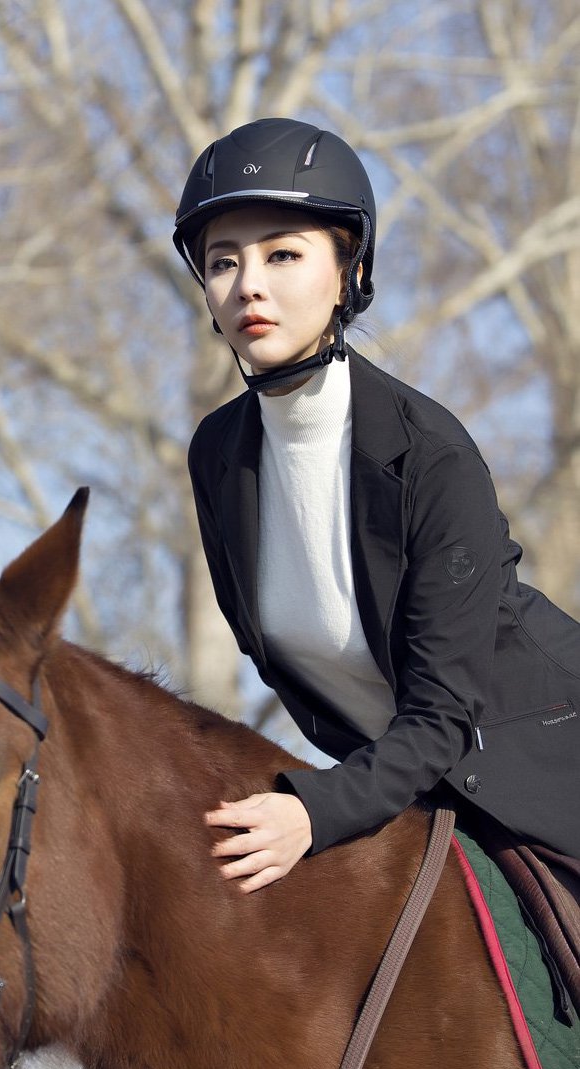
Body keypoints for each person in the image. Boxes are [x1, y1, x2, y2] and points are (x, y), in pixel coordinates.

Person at [173, 116, 580, 894]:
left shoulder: (431, 453)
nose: (247, 284)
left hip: (548, 770)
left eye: (283, 255)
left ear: (348, 272)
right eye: (222, 262)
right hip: (415, 799)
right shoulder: (216, 454)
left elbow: (437, 715)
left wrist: (313, 810)